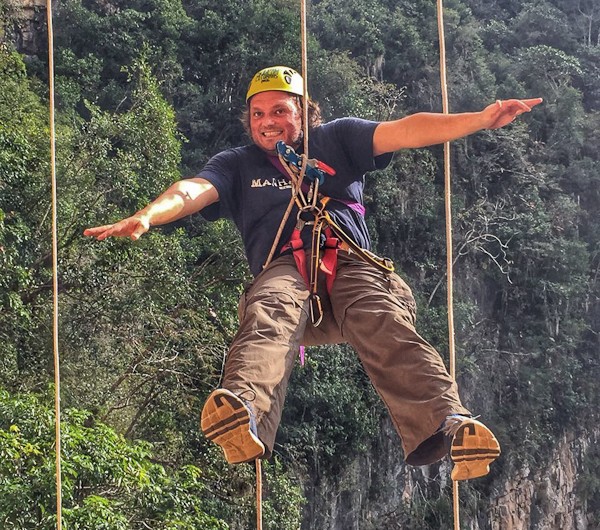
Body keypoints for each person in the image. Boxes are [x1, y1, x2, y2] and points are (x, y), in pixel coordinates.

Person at [84, 66, 542, 481]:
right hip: (286, 272)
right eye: (259, 113)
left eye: (280, 110)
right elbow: (193, 189)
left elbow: (405, 130)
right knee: (269, 311)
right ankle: (243, 413)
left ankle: (449, 422)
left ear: (303, 112)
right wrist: (150, 215)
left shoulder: (335, 140)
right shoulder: (237, 165)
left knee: (381, 318)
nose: (268, 121)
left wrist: (478, 119)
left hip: (349, 264)